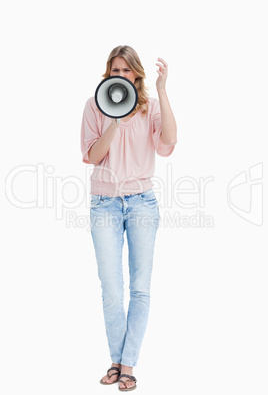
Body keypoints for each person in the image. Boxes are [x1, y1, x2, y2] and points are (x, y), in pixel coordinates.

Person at [80, 45, 177, 391]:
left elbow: (168, 142)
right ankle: (117, 361)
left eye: (126, 71)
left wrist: (162, 91)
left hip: (142, 203)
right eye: (115, 70)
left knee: (139, 288)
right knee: (111, 288)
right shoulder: (95, 104)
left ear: (136, 74)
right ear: (108, 72)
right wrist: (114, 121)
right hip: (104, 203)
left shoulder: (149, 107)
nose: (120, 76)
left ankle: (126, 364)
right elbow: (91, 155)